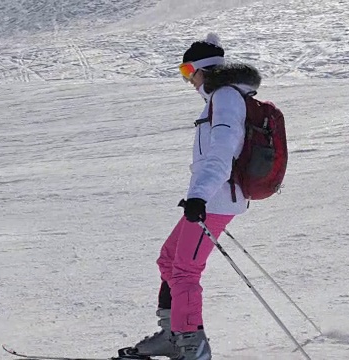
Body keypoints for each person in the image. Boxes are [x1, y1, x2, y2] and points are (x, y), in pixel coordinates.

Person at [130, 33, 262, 360]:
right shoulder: (220, 98)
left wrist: (199, 197)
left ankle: (192, 345)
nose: (188, 80)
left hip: (215, 199)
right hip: (211, 197)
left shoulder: (226, 98)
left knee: (185, 271)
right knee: (169, 258)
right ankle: (173, 335)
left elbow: (221, 153)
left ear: (204, 69)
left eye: (188, 71)